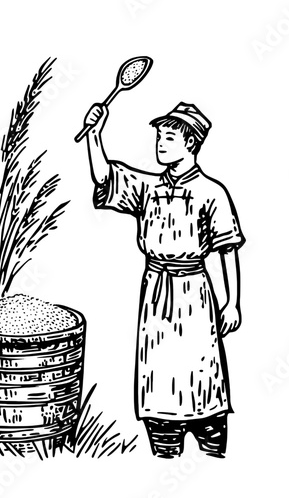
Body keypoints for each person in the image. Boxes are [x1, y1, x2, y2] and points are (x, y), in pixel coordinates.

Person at [84, 101, 245, 458]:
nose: (159, 142)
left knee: (200, 373)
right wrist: (95, 134)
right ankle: (164, 448)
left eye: (169, 136)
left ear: (190, 143)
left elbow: (228, 248)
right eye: (159, 135)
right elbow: (105, 177)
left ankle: (211, 447)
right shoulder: (148, 187)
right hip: (156, 293)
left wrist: (232, 302)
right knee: (158, 375)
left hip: (195, 295)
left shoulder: (212, 192)